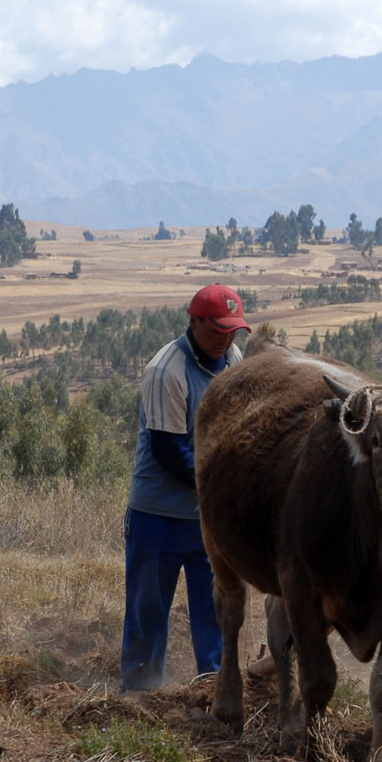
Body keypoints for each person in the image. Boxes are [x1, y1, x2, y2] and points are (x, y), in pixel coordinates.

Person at [120, 283, 249, 691]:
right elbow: (169, 449)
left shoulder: (233, 360)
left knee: (216, 607)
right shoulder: (165, 369)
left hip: (208, 516)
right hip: (157, 515)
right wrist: (223, 487)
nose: (225, 338)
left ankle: (213, 687)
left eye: (232, 330)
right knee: (148, 609)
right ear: (193, 322)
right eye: (216, 330)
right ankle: (140, 694)